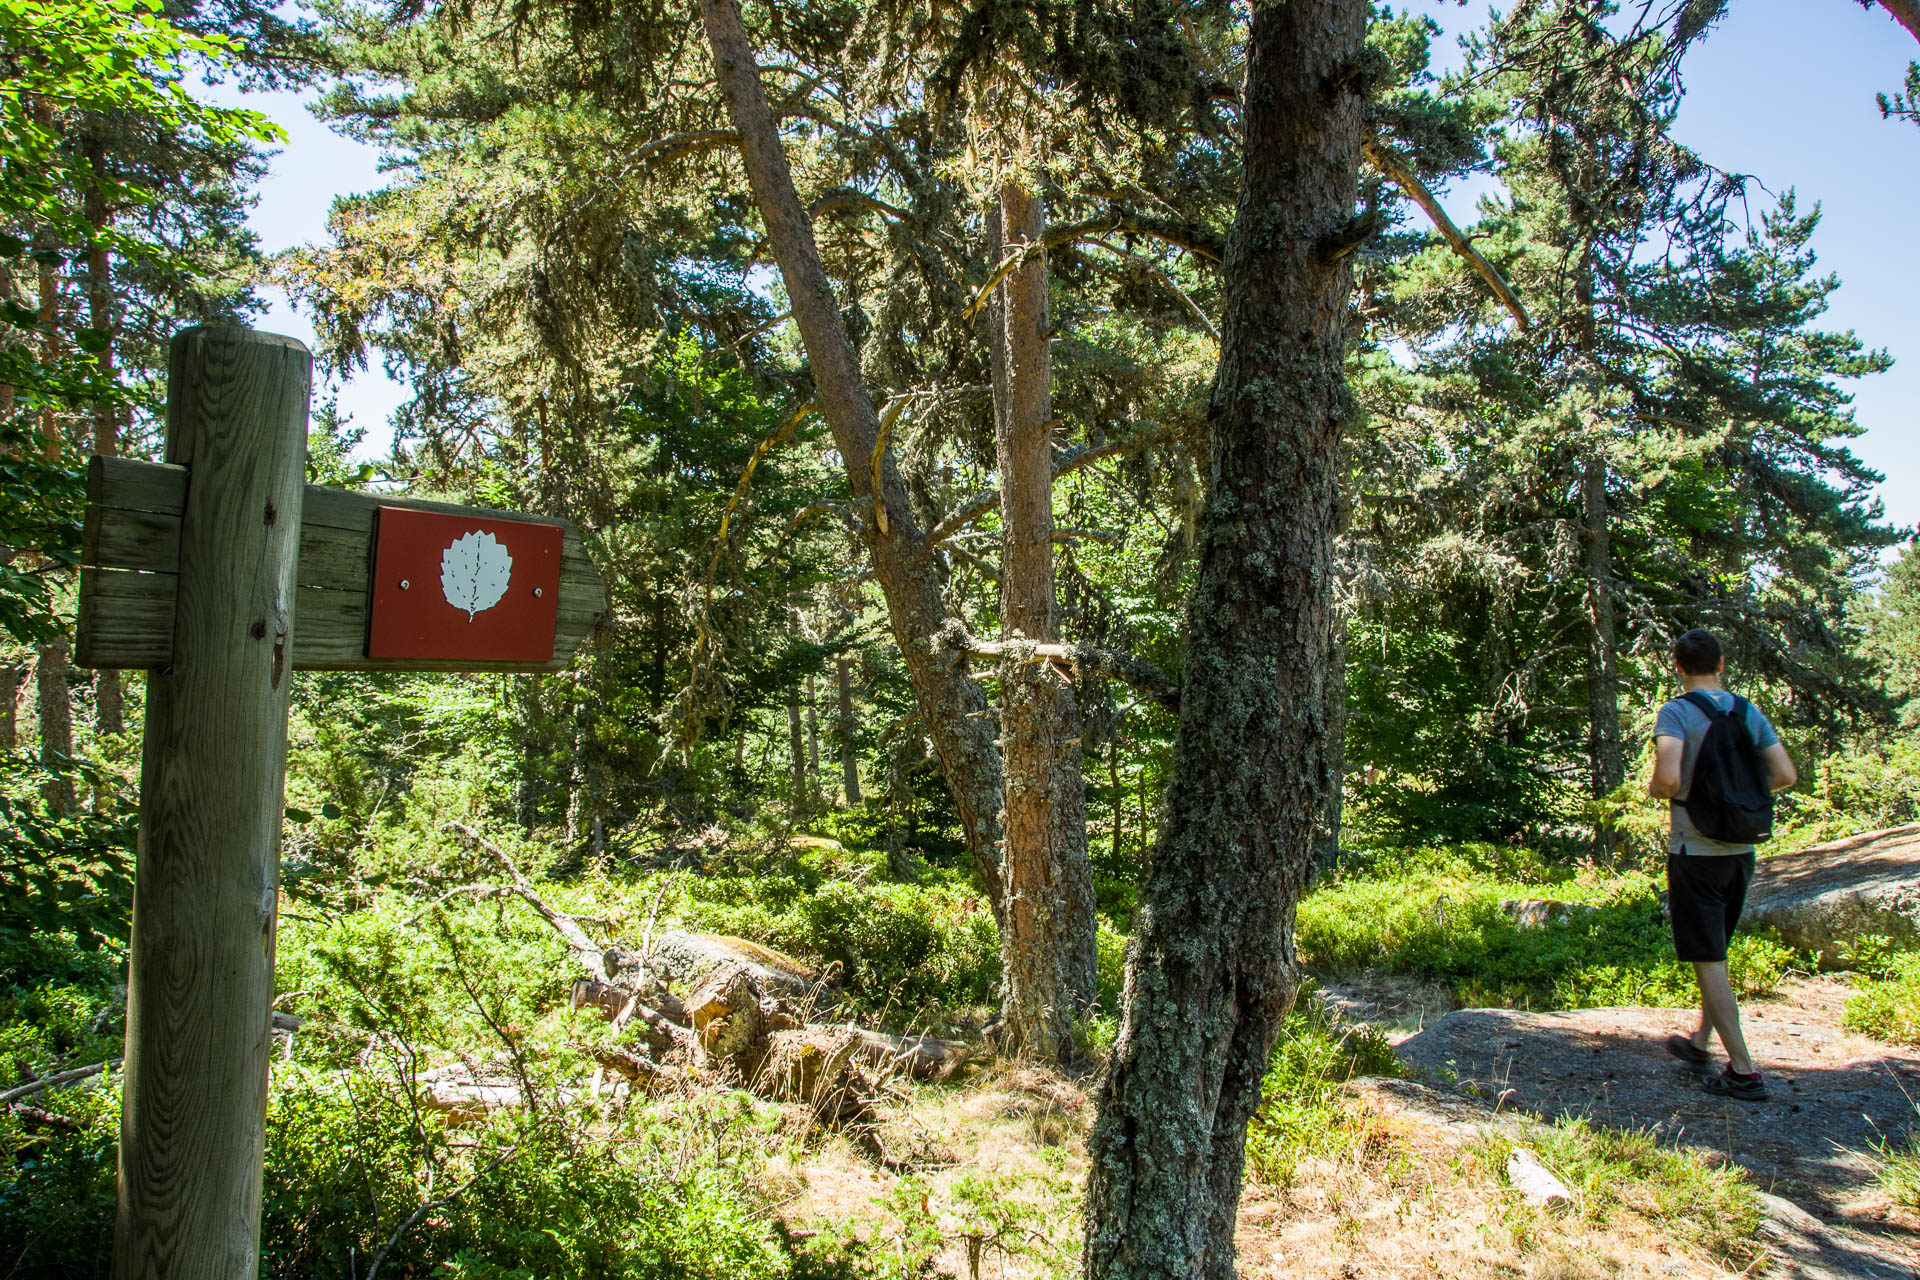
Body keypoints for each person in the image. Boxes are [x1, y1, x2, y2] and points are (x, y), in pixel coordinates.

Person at [1647, 628, 1797, 1102]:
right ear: (1722, 663)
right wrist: (1736, 798)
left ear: (1677, 666)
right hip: (1741, 852)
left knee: (1707, 957)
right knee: (1716, 952)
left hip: (1695, 853)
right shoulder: (1747, 711)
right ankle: (1699, 1041)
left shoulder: (1675, 712)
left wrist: (1662, 790)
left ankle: (1745, 1071)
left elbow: (1668, 778)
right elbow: (1785, 775)